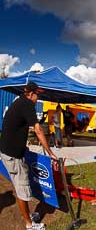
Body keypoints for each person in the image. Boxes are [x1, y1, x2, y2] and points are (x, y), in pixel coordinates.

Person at [0, 82, 57, 230]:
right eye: (38, 94)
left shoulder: (19, 101)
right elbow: (38, 130)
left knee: (21, 187)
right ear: (31, 94)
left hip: (9, 151)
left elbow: (15, 126)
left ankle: (28, 217)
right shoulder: (27, 104)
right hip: (13, 156)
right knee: (22, 189)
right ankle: (29, 225)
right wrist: (50, 153)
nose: (38, 98)